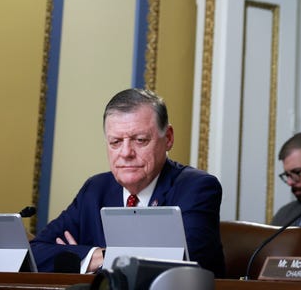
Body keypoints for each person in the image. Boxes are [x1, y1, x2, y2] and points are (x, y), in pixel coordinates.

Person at [30, 88, 225, 275]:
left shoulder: (197, 188)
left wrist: (95, 258)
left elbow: (184, 266)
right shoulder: (95, 189)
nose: (126, 153)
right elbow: (34, 254)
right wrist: (95, 257)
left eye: (140, 140)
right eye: (115, 142)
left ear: (168, 138)